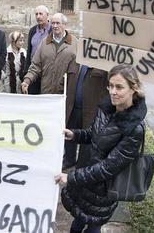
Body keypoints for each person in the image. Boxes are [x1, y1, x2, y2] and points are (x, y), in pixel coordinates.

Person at [55, 64, 147, 233]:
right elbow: (94, 134)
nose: (113, 91)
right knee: (76, 223)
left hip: (103, 191)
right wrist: (74, 135)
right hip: (86, 181)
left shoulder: (134, 129)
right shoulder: (106, 108)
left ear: (133, 89)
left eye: (119, 87)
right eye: (110, 86)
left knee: (93, 226)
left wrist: (72, 177)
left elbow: (108, 168)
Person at [21, 12, 78, 96]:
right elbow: (35, 66)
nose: (55, 26)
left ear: (64, 25)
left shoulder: (75, 43)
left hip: (65, 94)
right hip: (46, 92)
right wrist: (27, 80)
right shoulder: (44, 43)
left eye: (58, 23)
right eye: (53, 23)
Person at [63, 66, 109, 169]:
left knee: (87, 140)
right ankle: (69, 160)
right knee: (70, 134)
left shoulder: (103, 62)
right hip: (73, 106)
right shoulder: (76, 59)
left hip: (91, 110)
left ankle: (81, 167)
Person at [25, 5, 52, 94]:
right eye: (36, 14)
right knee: (32, 96)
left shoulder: (52, 31)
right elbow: (29, 51)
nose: (38, 16)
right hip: (33, 70)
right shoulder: (32, 30)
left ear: (47, 15)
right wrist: (26, 70)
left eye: (41, 14)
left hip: (46, 72)